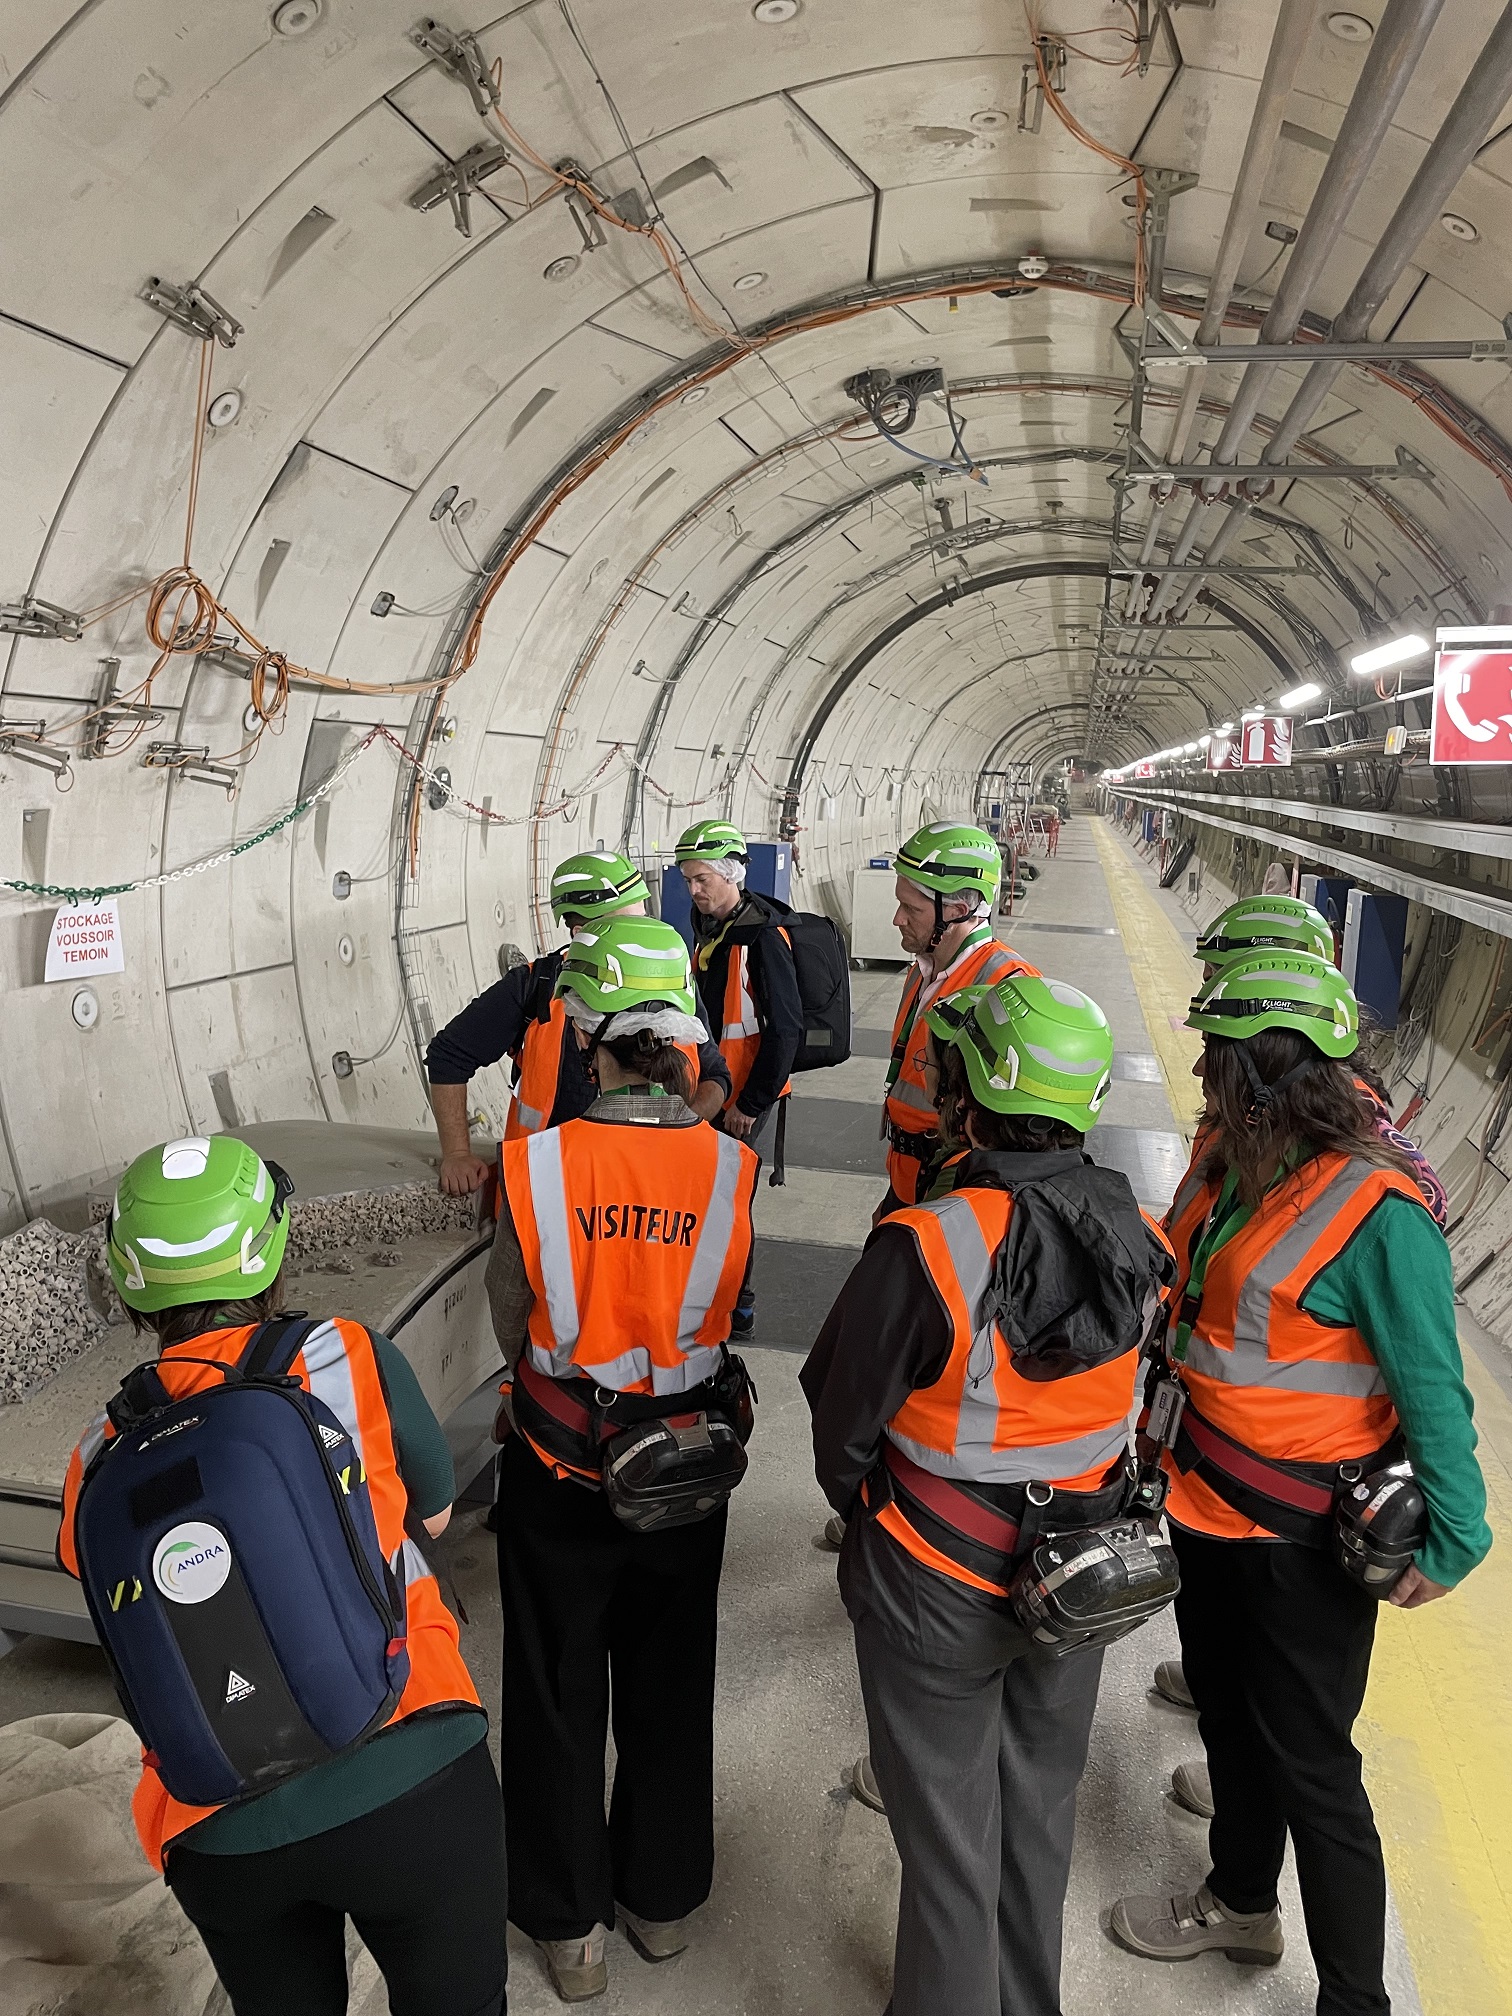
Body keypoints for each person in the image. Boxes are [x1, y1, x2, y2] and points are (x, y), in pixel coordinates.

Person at [1109, 951, 1491, 2016]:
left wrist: (1453, 1543)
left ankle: (1355, 2001)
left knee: (1317, 1770)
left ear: (1259, 1072)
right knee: (1230, 1720)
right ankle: (1239, 1901)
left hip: (1298, 1545)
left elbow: (1432, 1392)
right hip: (1205, 1510)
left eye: (1213, 1056)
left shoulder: (1377, 1212)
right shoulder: (1243, 1168)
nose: (1199, 1071)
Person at [58, 1135, 505, 2016]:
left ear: (130, 1281)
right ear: (270, 1246)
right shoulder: (348, 1355)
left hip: (218, 1825)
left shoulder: (95, 1456)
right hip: (410, 1762)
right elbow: (437, 1511)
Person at [802, 974, 1176, 2016]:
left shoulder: (929, 1245)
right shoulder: (1140, 1242)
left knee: (950, 1842)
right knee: (1037, 1814)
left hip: (937, 1578)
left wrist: (870, 1509)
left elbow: (842, 1421)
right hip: (1082, 1580)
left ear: (974, 1090)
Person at [483, 915, 759, 2003]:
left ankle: (569, 1927)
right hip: (686, 1463)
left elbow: (514, 1320)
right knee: (670, 1673)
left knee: (556, 1686)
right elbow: (732, 1307)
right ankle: (661, 1900)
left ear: (587, 1039)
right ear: (683, 1045)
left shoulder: (534, 1167)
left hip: (561, 1463)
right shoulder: (731, 1169)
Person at [426, 849, 731, 1195]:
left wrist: (678, 1133)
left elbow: (714, 1075)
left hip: (651, 1191)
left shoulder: (675, 982)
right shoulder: (537, 986)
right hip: (547, 1192)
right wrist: (456, 1153)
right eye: (630, 919)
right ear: (581, 928)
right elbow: (449, 1054)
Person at [676, 818, 803, 1337]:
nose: (693, 889)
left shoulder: (762, 936)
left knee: (729, 1202)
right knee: (704, 1198)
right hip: (714, 1089)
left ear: (732, 874)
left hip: (744, 1096)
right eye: (687, 879)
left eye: (702, 879)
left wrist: (749, 1104)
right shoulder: (711, 925)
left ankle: (738, 1306)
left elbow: (787, 1031)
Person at [878, 821, 1038, 1221]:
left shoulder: (1008, 986)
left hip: (955, 1185)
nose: (898, 919)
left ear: (957, 911)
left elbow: (1012, 1124)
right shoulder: (926, 968)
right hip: (908, 1173)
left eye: (911, 908)